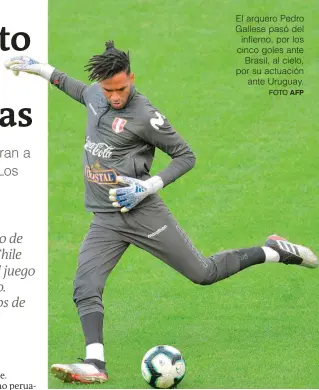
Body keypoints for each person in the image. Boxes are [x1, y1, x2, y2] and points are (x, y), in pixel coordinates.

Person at [5, 40, 318, 384]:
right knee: (85, 285)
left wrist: (147, 186)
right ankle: (95, 362)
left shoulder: (145, 115)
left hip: (142, 214)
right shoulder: (96, 95)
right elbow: (72, 86)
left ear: (132, 78)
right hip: (106, 219)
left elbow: (186, 156)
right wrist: (39, 68)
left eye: (121, 88)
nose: (115, 96)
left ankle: (272, 251)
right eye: (109, 89)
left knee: (203, 273)